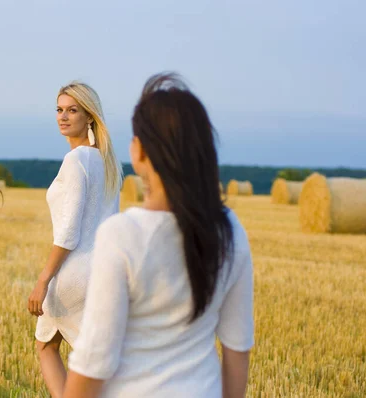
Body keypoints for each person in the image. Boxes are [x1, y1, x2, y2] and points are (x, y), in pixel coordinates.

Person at [63, 73, 254, 398]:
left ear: (138, 153)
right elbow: (237, 353)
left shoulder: (121, 236)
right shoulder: (230, 230)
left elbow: (94, 362)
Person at [28, 82, 123, 397]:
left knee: (46, 348)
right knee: (86, 357)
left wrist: (44, 279)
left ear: (89, 117)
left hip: (73, 274)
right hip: (103, 273)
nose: (63, 117)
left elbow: (68, 231)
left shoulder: (76, 161)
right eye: (59, 109)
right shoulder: (108, 162)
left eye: (72, 110)